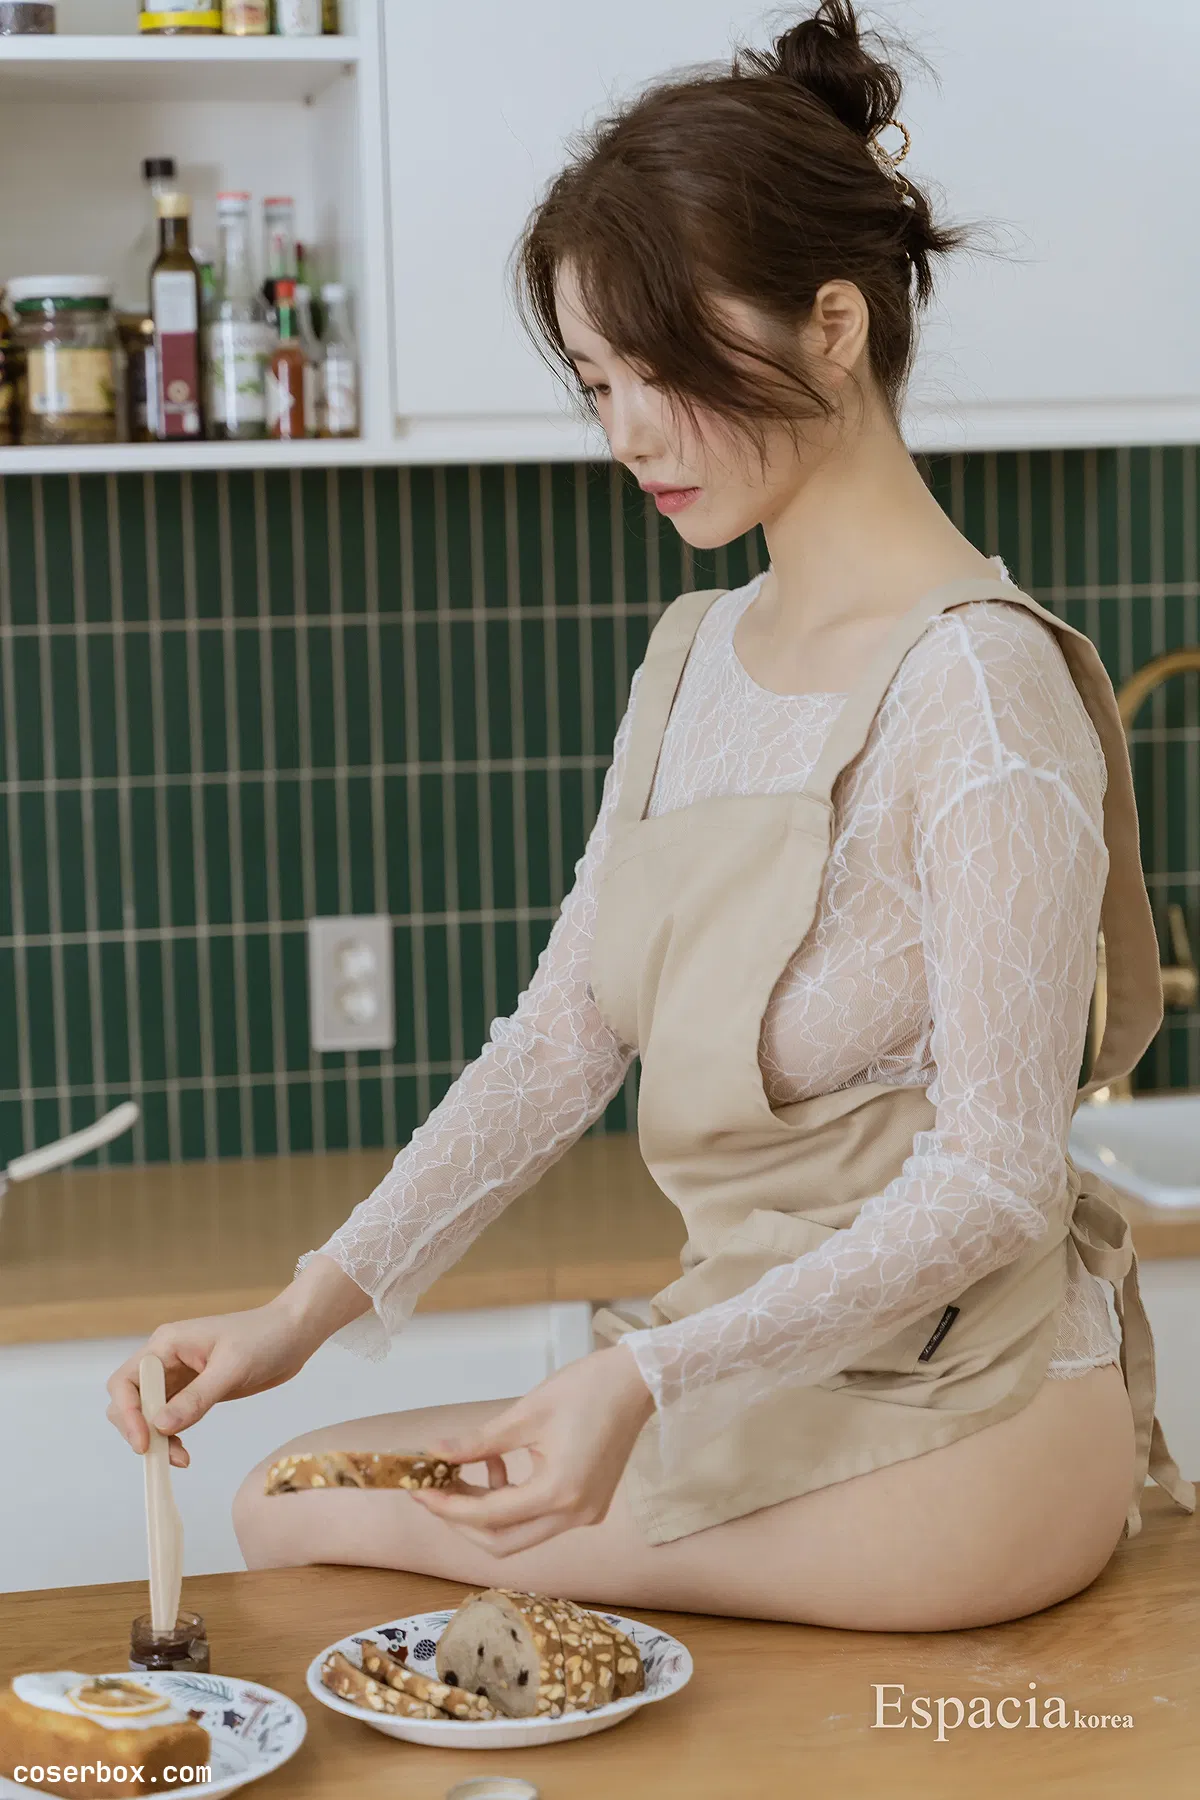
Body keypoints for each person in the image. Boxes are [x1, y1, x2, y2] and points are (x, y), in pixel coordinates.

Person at [106, 0, 1193, 1631]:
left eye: (660, 371)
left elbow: (994, 1185)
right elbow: (563, 1040)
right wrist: (301, 1311)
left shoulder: (980, 690)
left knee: (311, 1525)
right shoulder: (696, 658)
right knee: (292, 1495)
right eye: (597, 380)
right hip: (736, 1362)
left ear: (834, 326)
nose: (624, 434)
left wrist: (645, 1382)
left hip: (970, 1419)